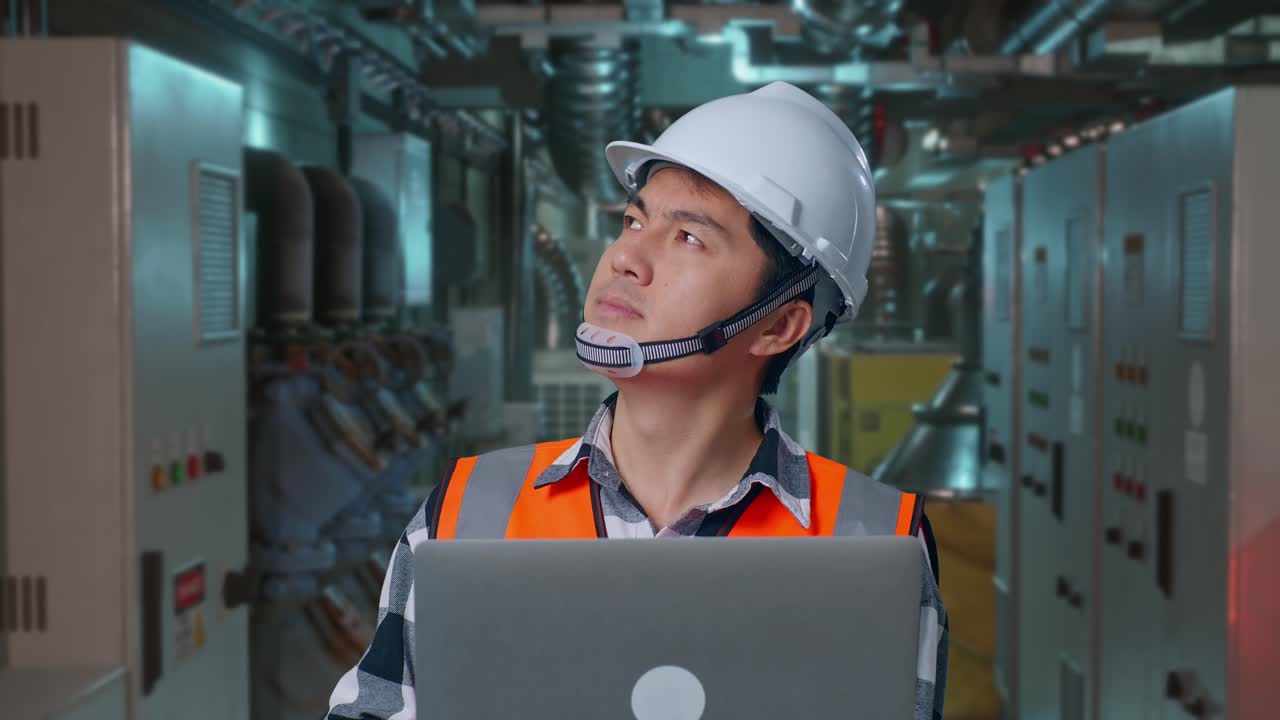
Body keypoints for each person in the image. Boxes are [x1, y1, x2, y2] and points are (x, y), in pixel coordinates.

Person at [326, 81, 948, 720]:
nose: (626, 257)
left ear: (778, 326)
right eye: (634, 220)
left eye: (688, 238)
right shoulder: (463, 515)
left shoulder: (878, 540)